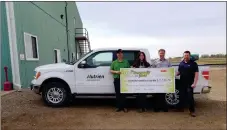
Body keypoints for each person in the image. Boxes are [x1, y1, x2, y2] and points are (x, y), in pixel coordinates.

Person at [176, 51, 199, 117]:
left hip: (190, 83)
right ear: (183, 56)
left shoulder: (194, 64)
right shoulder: (181, 63)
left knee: (190, 97)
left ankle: (192, 111)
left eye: (187, 55)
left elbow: (196, 75)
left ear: (189, 56)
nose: (186, 56)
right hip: (182, 83)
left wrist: (194, 83)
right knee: (181, 96)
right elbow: (179, 72)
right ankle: (180, 109)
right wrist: (172, 74)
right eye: (185, 55)